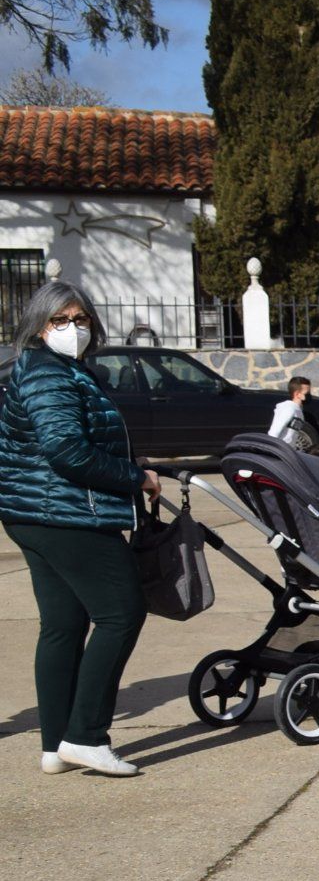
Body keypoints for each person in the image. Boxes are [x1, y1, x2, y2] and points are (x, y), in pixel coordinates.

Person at [0, 279, 159, 777]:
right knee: (121, 612)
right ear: (39, 326)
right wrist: (135, 477)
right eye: (60, 320)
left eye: (81, 319)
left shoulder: (54, 368)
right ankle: (86, 735)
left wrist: (128, 459)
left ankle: (56, 745)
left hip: (35, 512)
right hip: (67, 514)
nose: (73, 328)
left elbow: (74, 439)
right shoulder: (49, 373)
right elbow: (66, 451)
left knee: (64, 625)